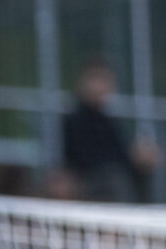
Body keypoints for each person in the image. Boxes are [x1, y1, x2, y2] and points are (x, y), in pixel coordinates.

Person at [62, 60, 160, 203]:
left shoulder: (108, 121)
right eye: (96, 79)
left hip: (111, 177)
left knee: (145, 170)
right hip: (89, 180)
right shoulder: (74, 120)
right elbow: (84, 159)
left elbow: (120, 154)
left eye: (105, 80)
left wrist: (138, 158)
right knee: (116, 179)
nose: (100, 86)